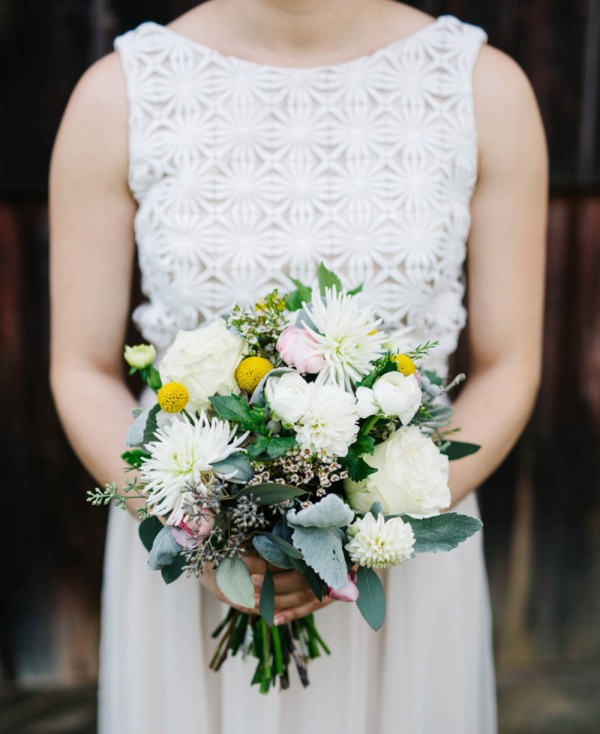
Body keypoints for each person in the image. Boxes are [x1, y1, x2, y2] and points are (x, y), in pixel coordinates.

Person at [49, 0, 547, 732]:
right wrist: (205, 530)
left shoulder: (482, 89)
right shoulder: (120, 92)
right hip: (195, 558)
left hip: (399, 563)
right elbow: (81, 368)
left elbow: (511, 367)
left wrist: (364, 524)